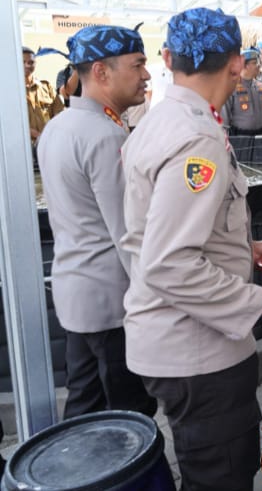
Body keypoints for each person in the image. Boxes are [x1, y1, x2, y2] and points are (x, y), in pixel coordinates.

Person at [121, 7, 262, 491]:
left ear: (169, 59)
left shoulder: (162, 121)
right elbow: (170, 264)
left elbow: (164, 229)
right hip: (198, 352)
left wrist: (244, 248)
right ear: (234, 63)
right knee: (220, 476)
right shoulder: (196, 139)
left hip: (177, 340)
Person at [37, 25, 157, 421]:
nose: (146, 75)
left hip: (76, 296)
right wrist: (156, 300)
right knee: (130, 415)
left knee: (83, 407)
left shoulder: (57, 127)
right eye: (137, 65)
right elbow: (128, 234)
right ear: (102, 72)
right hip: (111, 305)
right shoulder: (106, 136)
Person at [222, 48, 262, 136]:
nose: (258, 65)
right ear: (244, 66)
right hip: (240, 139)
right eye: (255, 63)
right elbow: (224, 122)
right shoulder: (231, 88)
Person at [24, 46, 64, 144]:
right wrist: (38, 136)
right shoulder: (11, 93)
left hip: (50, 142)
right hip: (24, 145)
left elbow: (59, 114)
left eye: (31, 62)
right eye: (22, 62)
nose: (27, 65)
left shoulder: (46, 87)